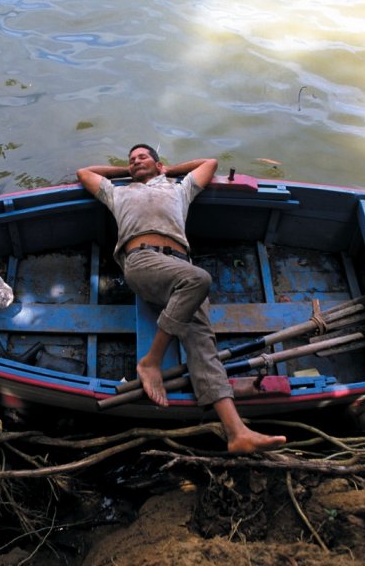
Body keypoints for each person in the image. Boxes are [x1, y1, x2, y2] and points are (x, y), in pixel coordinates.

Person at [77, 144, 287, 454]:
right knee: (198, 279)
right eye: (131, 160)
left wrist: (168, 171)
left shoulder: (180, 188)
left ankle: (236, 432)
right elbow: (86, 173)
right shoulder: (117, 192)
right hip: (142, 263)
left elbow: (210, 162)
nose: (135, 162)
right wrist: (128, 173)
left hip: (178, 267)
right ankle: (151, 363)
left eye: (142, 157)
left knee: (203, 344)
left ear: (158, 163)